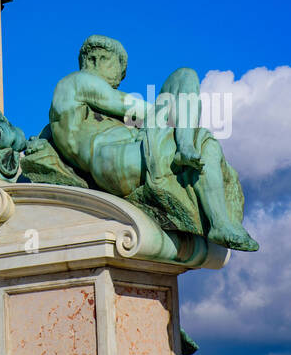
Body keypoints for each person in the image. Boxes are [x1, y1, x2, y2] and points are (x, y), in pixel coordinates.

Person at [48, 35, 258, 252]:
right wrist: (174, 113)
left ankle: (220, 222)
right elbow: (137, 110)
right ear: (97, 59)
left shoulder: (68, 107)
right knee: (185, 77)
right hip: (115, 158)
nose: (119, 80)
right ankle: (187, 148)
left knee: (205, 144)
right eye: (118, 70)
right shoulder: (77, 82)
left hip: (123, 156)